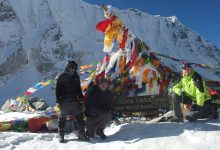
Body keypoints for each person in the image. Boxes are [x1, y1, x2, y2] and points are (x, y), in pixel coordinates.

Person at [55, 60, 90, 143]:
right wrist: (58, 101)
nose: (73, 69)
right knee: (62, 118)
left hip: (75, 101)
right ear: (67, 67)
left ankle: (81, 134)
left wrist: (81, 99)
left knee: (79, 116)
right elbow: (58, 89)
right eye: (71, 67)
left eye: (74, 67)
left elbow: (78, 89)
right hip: (65, 101)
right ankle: (61, 135)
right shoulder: (62, 76)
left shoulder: (76, 76)